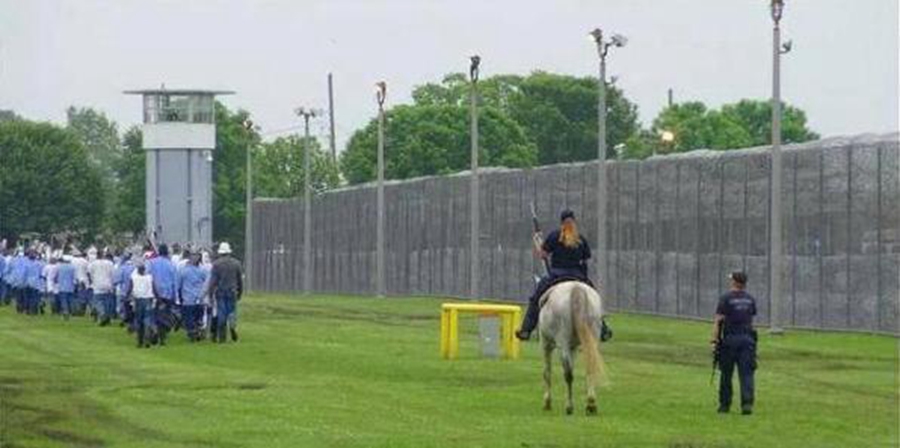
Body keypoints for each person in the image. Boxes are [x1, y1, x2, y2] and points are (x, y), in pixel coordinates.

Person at [515, 210, 592, 341]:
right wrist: (584, 278)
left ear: (561, 223)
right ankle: (603, 328)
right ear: (574, 222)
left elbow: (543, 254)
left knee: (536, 298)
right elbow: (585, 260)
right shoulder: (581, 239)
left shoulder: (554, 236)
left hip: (557, 276)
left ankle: (526, 329)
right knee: (593, 296)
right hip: (577, 276)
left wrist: (538, 243)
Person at [710, 272, 758, 415]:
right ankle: (747, 404)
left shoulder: (726, 298)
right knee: (747, 374)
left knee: (726, 374)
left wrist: (714, 340)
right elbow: (752, 321)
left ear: (734, 282)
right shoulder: (750, 299)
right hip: (747, 340)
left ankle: (725, 405)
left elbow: (718, 321)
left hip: (730, 340)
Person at [207, 242, 243, 343]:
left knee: (221, 314)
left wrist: (210, 294)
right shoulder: (237, 263)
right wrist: (240, 292)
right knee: (231, 312)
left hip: (221, 292)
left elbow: (212, 282)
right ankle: (232, 327)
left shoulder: (216, 264)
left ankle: (222, 338)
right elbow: (239, 280)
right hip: (232, 292)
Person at [148, 244, 178, 345]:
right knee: (165, 316)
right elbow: (175, 282)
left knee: (154, 315)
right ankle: (162, 337)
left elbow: (148, 277)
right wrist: (175, 296)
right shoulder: (171, 265)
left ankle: (154, 330)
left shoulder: (151, 263)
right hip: (167, 294)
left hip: (154, 293)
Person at [177, 251, 209, 342]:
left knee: (198, 317)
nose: (195, 258)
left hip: (199, 298)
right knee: (189, 318)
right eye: (193, 255)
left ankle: (197, 331)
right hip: (188, 298)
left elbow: (206, 283)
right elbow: (179, 284)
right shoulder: (183, 270)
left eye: (197, 256)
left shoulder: (202, 270)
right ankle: (193, 332)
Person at [127, 261, 156, 348]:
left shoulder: (134, 277)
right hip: (148, 300)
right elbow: (154, 289)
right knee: (147, 320)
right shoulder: (149, 277)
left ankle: (140, 341)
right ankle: (147, 338)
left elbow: (130, 288)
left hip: (138, 300)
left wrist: (126, 297)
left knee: (139, 321)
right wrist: (158, 298)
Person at [88, 251, 117, 326]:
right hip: (108, 285)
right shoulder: (110, 263)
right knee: (107, 303)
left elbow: (89, 273)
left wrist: (91, 280)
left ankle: (102, 314)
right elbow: (113, 274)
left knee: (98, 302)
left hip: (97, 284)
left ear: (96, 255)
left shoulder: (93, 264)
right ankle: (107, 318)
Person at [55, 256, 77, 320]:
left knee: (63, 300)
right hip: (70, 286)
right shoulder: (72, 267)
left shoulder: (59, 267)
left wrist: (56, 281)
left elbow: (56, 276)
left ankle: (65, 311)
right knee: (70, 300)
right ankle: (71, 312)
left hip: (61, 286)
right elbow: (74, 277)